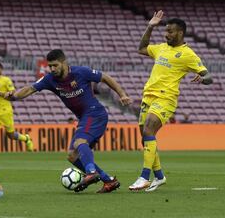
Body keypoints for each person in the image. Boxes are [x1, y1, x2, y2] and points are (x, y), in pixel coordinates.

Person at [7, 49, 132, 193]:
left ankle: (91, 173)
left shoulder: (81, 72)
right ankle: (108, 181)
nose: (52, 69)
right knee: (72, 156)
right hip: (85, 117)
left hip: (95, 113)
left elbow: (106, 77)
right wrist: (14, 96)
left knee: (80, 142)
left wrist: (122, 94)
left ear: (64, 63)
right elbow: (30, 88)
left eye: (55, 65)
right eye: (50, 66)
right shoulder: (49, 79)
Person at [129, 10, 213, 192]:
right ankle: (159, 177)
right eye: (165, 31)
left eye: (170, 32)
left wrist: (203, 79)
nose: (166, 34)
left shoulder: (188, 54)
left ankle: (144, 177)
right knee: (145, 137)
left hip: (166, 97)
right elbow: (141, 48)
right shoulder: (161, 48)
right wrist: (150, 27)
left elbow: (209, 76)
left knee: (149, 128)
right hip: (148, 95)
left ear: (180, 33)